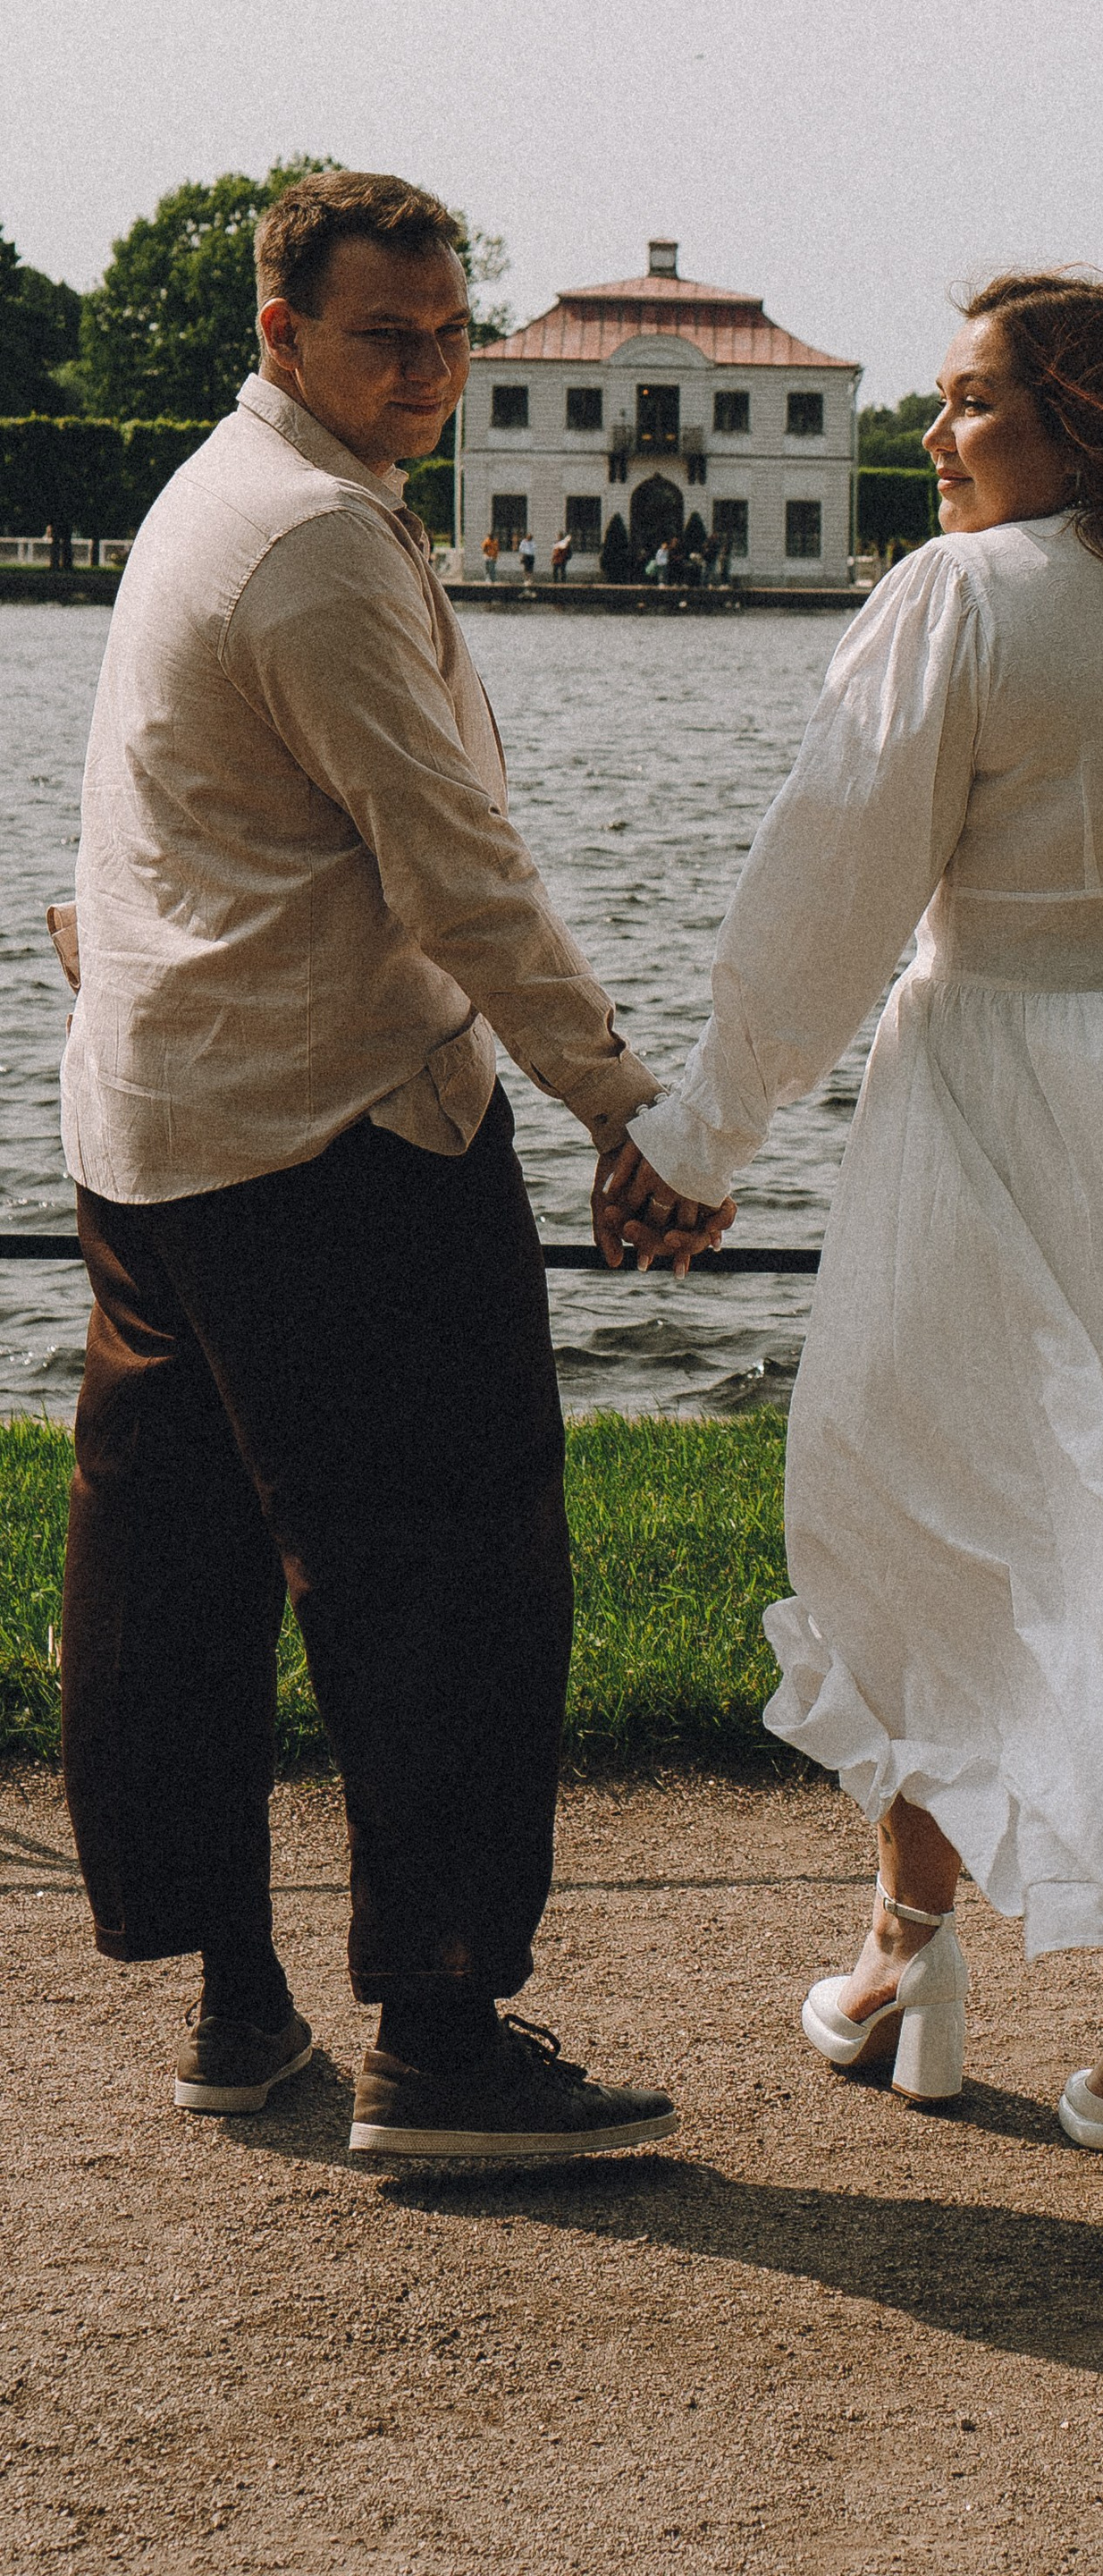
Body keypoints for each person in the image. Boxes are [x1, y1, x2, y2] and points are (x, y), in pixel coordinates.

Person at [600, 273, 1103, 2195]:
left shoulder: (961, 602)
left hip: (1007, 1094)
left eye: (968, 404)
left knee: (928, 1494)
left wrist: (701, 1136)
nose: (933, 441)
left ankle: (907, 1954)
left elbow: (825, 893)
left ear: (1079, 419)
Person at [58, 167, 726, 2171]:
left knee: (179, 1582)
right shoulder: (320, 550)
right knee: (447, 1575)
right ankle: (438, 2041)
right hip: (335, 1137)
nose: (427, 370)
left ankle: (239, 2009)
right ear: (280, 332)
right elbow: (459, 876)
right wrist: (628, 1107)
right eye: (384, 336)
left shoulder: (211, 501)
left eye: (447, 334)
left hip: (153, 1133)